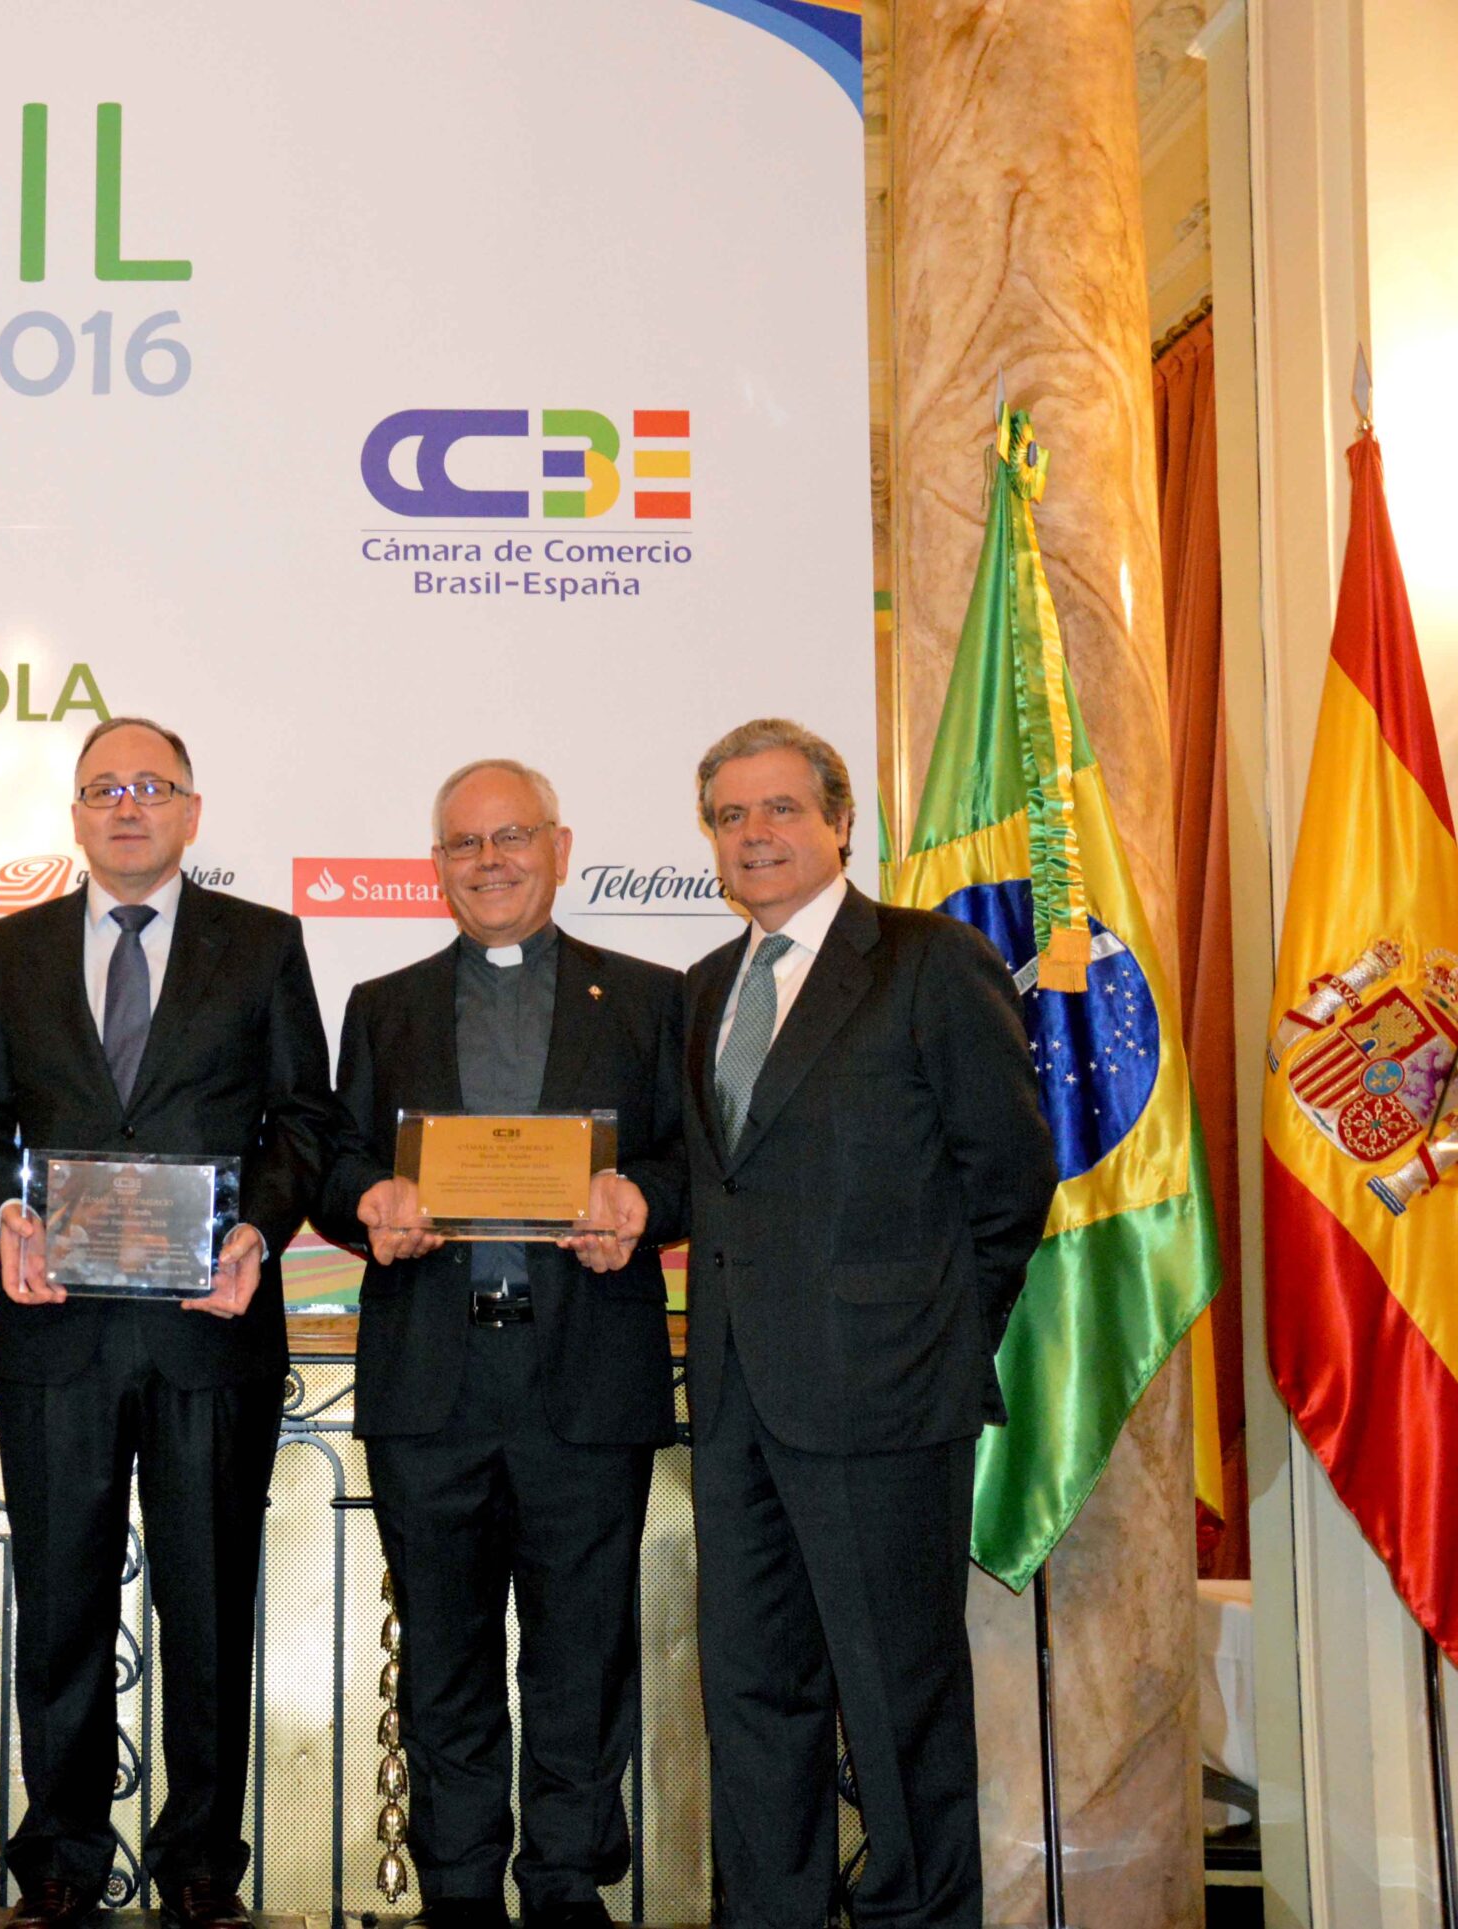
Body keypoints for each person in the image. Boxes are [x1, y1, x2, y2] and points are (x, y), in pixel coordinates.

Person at [0, 716, 339, 1929]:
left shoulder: (262, 946)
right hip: (56, 1330)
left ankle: (202, 1869)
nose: (127, 806)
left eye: (150, 786)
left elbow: (302, 1121)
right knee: (60, 1603)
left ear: (190, 811)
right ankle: (60, 1859)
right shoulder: (10, 952)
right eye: (102, 788)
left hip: (208, 1330)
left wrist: (254, 1230)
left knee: (207, 1606)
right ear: (73, 816)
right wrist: (6, 1210)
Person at [680, 719, 1055, 1928]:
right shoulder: (702, 990)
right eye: (733, 818)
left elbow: (1008, 1176)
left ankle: (918, 1917)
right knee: (752, 1690)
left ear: (843, 823)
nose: (757, 835)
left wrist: (926, 1339)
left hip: (886, 1402)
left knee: (897, 1700)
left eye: (782, 809)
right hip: (736, 1400)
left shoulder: (927, 962)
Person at [314, 758, 683, 1929]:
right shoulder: (384, 1004)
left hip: (584, 1376)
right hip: (433, 1380)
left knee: (582, 1655)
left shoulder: (650, 998)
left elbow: (695, 1164)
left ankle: (566, 1883)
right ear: (435, 868)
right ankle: (461, 1887)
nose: (489, 862)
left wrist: (641, 1201)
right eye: (464, 845)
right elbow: (334, 1162)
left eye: (511, 837)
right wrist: (369, 1199)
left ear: (560, 847)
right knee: (445, 1656)